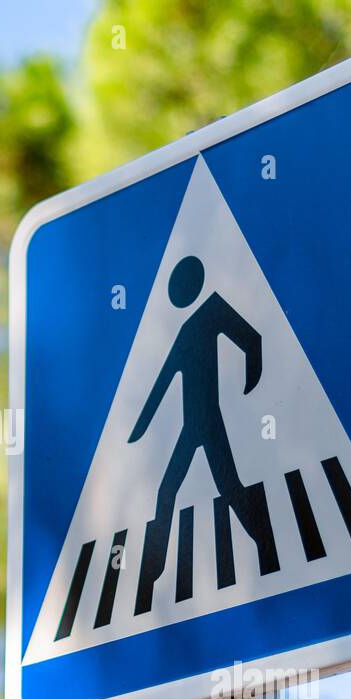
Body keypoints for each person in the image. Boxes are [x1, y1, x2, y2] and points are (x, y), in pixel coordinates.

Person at [129, 254, 277, 612]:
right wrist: (139, 428)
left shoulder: (211, 311)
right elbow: (161, 386)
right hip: (190, 426)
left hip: (209, 421)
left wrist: (250, 378)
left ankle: (268, 549)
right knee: (168, 490)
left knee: (229, 489)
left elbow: (250, 338)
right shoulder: (183, 333)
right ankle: (153, 571)